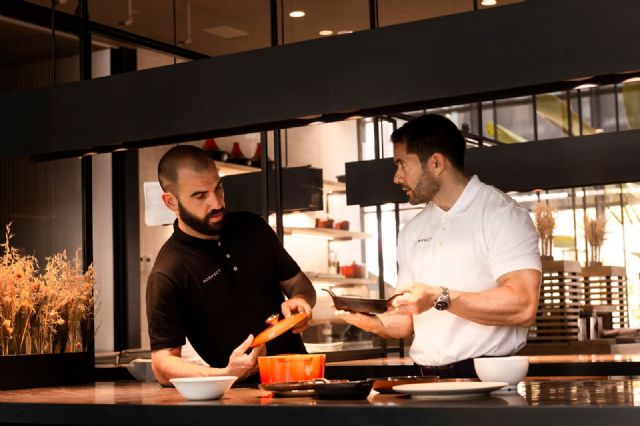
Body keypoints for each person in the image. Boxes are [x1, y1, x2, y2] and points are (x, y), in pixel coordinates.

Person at [336, 114, 542, 378]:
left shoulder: (502, 215)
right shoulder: (412, 230)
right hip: (424, 378)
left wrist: (438, 297)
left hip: (486, 378)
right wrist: (368, 321)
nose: (396, 177)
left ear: (436, 163)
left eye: (401, 164)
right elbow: (405, 321)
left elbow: (522, 305)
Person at [147, 145, 316, 385]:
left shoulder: (253, 227)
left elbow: (298, 282)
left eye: (218, 188)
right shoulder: (169, 271)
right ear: (170, 202)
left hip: (304, 381)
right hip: (239, 400)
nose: (216, 203)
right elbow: (162, 365)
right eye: (200, 195)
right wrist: (226, 373)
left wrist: (302, 299)